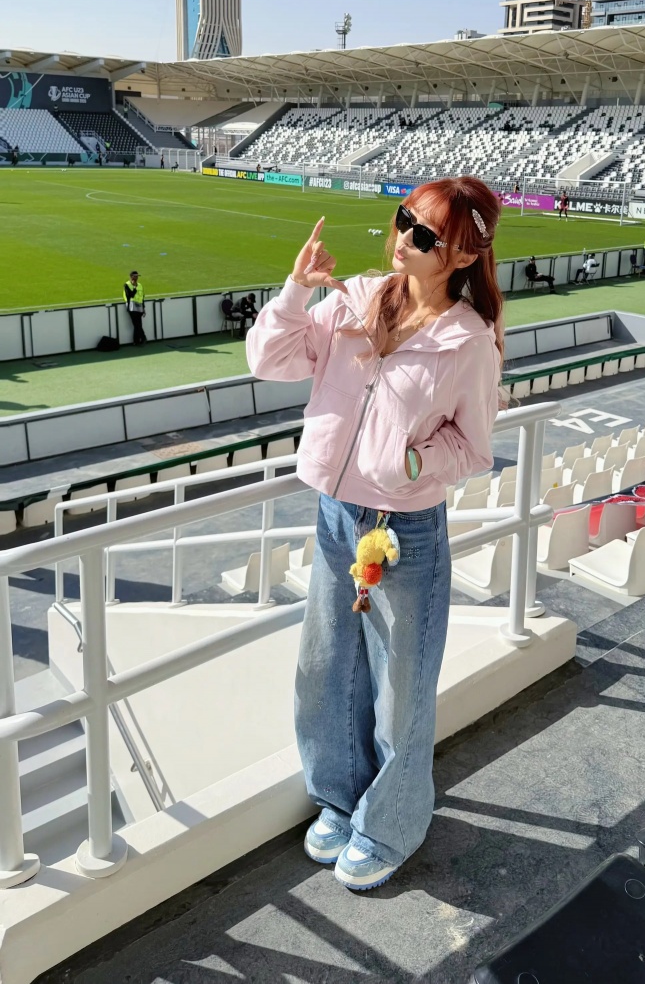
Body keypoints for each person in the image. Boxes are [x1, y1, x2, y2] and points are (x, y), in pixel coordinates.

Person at [246, 177, 502, 890]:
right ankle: (338, 797)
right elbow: (268, 361)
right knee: (326, 671)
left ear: (461, 256)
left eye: (425, 235)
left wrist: (413, 462)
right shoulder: (353, 299)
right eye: (403, 219)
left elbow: (474, 446)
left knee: (400, 687)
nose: (404, 238)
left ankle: (390, 824)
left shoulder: (469, 341)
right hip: (337, 516)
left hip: (406, 531)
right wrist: (296, 290)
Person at [123, 271, 146, 345]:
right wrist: (134, 287)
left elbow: (142, 297)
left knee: (138, 325)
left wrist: (143, 308)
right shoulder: (127, 285)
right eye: (135, 276)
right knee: (136, 324)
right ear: (131, 277)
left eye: (137, 276)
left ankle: (137, 341)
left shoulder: (140, 285)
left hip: (139, 306)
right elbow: (130, 295)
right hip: (131, 306)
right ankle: (143, 338)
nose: (136, 278)